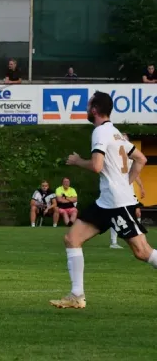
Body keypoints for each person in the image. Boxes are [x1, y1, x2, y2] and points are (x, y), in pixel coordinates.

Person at [50, 91, 157, 309]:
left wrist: (79, 161)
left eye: (88, 106)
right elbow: (141, 159)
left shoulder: (100, 132)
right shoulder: (116, 133)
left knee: (142, 252)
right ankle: (76, 296)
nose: (86, 109)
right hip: (107, 201)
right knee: (72, 239)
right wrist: (126, 182)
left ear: (95, 110)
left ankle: (76, 295)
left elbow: (97, 166)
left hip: (117, 202)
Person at [110, 133, 146, 249]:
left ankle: (138, 239)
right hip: (118, 190)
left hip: (128, 190)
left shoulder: (130, 159)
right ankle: (114, 241)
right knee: (116, 215)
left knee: (137, 212)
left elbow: (136, 174)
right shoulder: (114, 158)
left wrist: (141, 187)